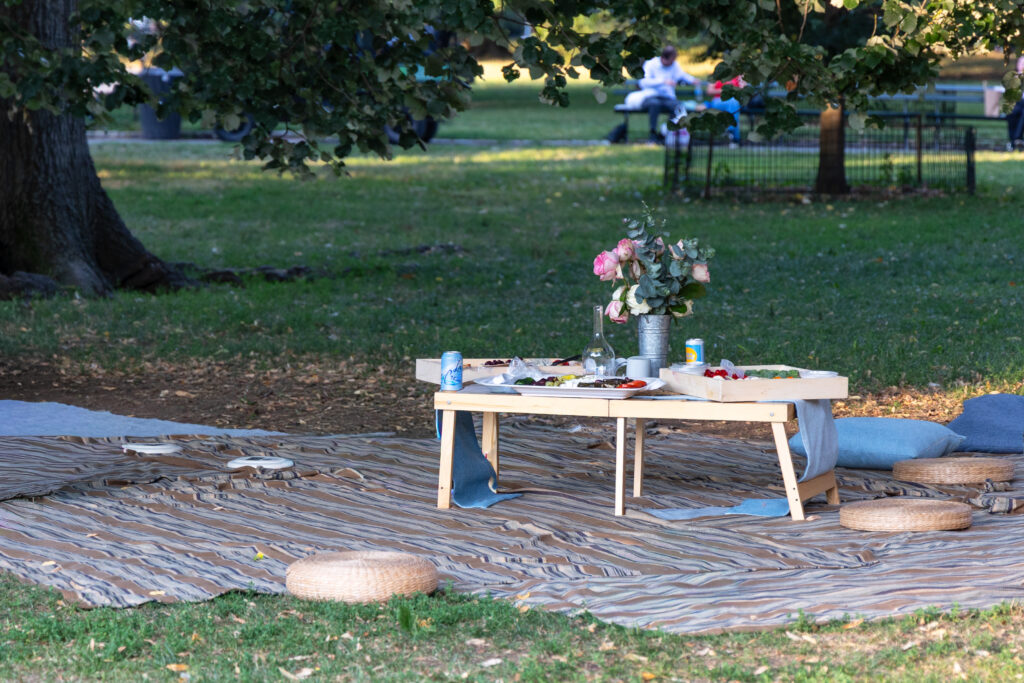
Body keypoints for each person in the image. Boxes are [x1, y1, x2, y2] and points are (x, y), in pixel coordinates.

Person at [638, 46, 699, 143]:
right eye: (671, 60)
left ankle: (667, 133)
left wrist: (693, 80)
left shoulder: (674, 65)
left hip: (668, 98)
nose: (672, 63)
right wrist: (663, 81)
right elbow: (643, 82)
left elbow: (682, 75)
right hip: (651, 96)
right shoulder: (651, 64)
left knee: (678, 107)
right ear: (663, 58)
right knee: (655, 104)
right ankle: (652, 134)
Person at [703, 74, 746, 144]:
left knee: (733, 104)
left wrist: (741, 83)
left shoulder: (738, 76)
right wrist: (725, 90)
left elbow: (744, 90)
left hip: (734, 102)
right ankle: (734, 137)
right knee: (734, 105)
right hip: (718, 101)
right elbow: (709, 91)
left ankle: (730, 133)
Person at [1007, 56, 1024, 151]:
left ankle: (1016, 140)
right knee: (1012, 112)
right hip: (1017, 103)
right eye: (1021, 63)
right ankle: (1015, 141)